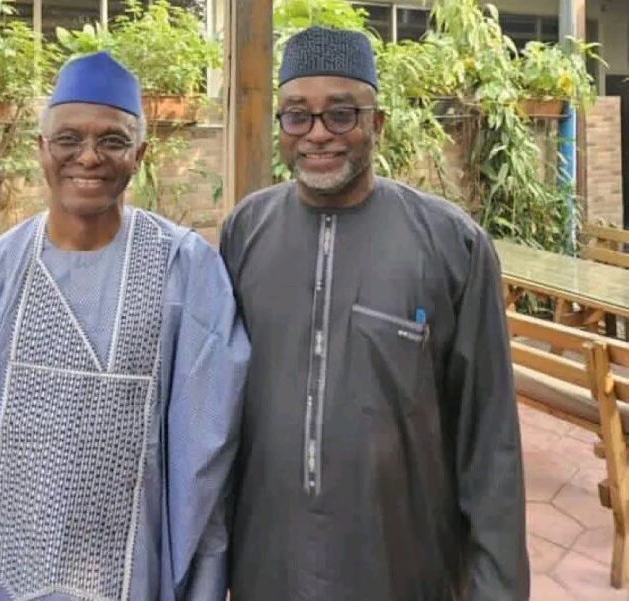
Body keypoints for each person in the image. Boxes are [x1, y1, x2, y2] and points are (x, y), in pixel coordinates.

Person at [0, 51, 249, 601]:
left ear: (139, 154)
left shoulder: (184, 270)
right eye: (68, 139)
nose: (88, 156)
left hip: (132, 577)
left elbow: (207, 459)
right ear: (41, 149)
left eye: (112, 140)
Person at [220, 26, 529, 601]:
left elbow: (490, 443)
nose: (318, 133)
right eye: (297, 116)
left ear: (378, 124)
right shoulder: (245, 231)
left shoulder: (453, 245)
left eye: (342, 115)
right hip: (268, 562)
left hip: (402, 567)